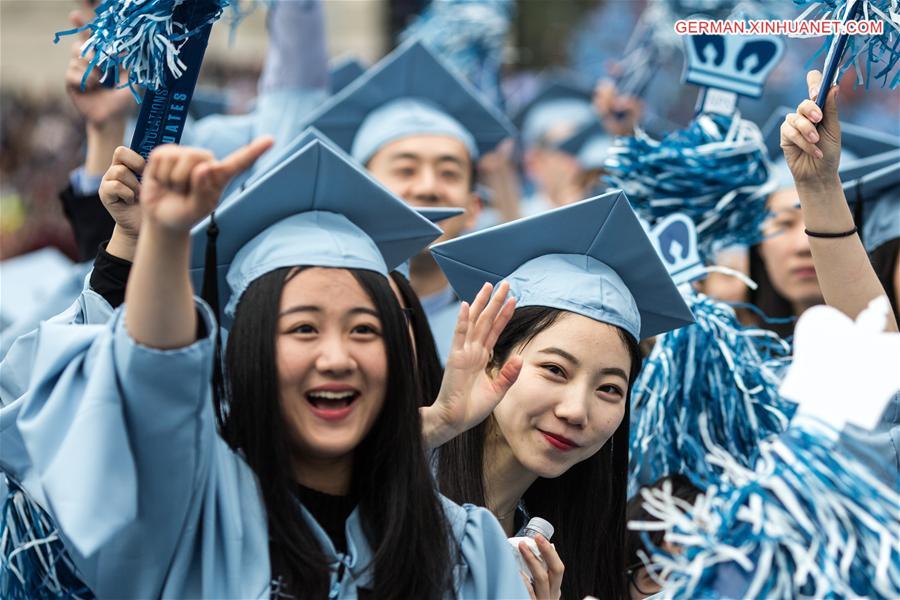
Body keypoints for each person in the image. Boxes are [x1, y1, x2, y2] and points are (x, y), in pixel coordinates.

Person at [0, 136, 529, 598]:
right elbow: (155, 382)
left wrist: (437, 422)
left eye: (364, 329)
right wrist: (159, 240)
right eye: (303, 328)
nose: (337, 356)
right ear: (250, 351)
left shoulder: (465, 548)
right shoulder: (194, 505)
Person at [429, 191, 695, 599]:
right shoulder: (400, 496)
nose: (576, 411)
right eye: (554, 370)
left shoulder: (559, 548)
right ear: (491, 361)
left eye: (609, 389)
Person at [305, 38, 516, 364]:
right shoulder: (306, 327)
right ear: (358, 193)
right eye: (405, 169)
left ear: (474, 208)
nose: (428, 188)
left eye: (448, 173)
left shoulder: (500, 344)